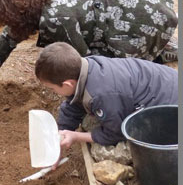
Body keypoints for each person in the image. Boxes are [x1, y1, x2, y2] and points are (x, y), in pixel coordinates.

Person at [0, 0, 178, 92]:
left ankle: (159, 54)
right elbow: (10, 36)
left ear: (22, 16)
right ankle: (162, 46)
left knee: (121, 66)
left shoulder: (56, 19)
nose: (11, 26)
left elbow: (84, 61)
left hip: (143, 10)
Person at [35, 42, 178, 147]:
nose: (53, 92)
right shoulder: (85, 67)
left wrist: (76, 136)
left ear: (67, 84)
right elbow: (73, 103)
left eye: (52, 88)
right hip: (166, 83)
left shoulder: (101, 95)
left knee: (120, 148)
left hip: (172, 107)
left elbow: (115, 134)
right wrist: (59, 136)